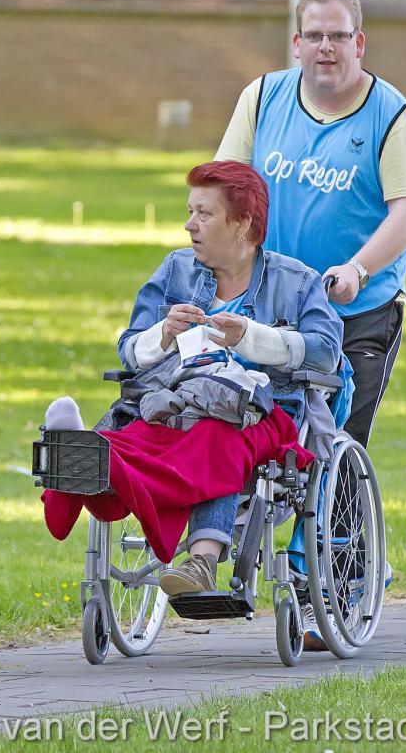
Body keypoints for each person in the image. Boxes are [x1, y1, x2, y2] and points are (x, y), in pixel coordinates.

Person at [215, 0, 406, 450]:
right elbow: (224, 187)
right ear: (297, 43)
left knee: (337, 446)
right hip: (270, 303)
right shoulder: (262, 97)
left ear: (359, 42)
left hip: (358, 311)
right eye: (314, 35)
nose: (325, 47)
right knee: (252, 436)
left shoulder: (392, 115)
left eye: (338, 36)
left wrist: (358, 269)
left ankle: (340, 503)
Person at [115, 160, 342, 595]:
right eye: (190, 211)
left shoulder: (297, 283)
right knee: (137, 428)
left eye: (204, 214)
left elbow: (326, 352)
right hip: (179, 403)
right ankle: (86, 453)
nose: (189, 225)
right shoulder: (175, 271)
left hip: (260, 415)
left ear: (243, 224)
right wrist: (162, 335)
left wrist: (253, 339)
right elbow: (128, 348)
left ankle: (203, 560)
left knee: (218, 430)